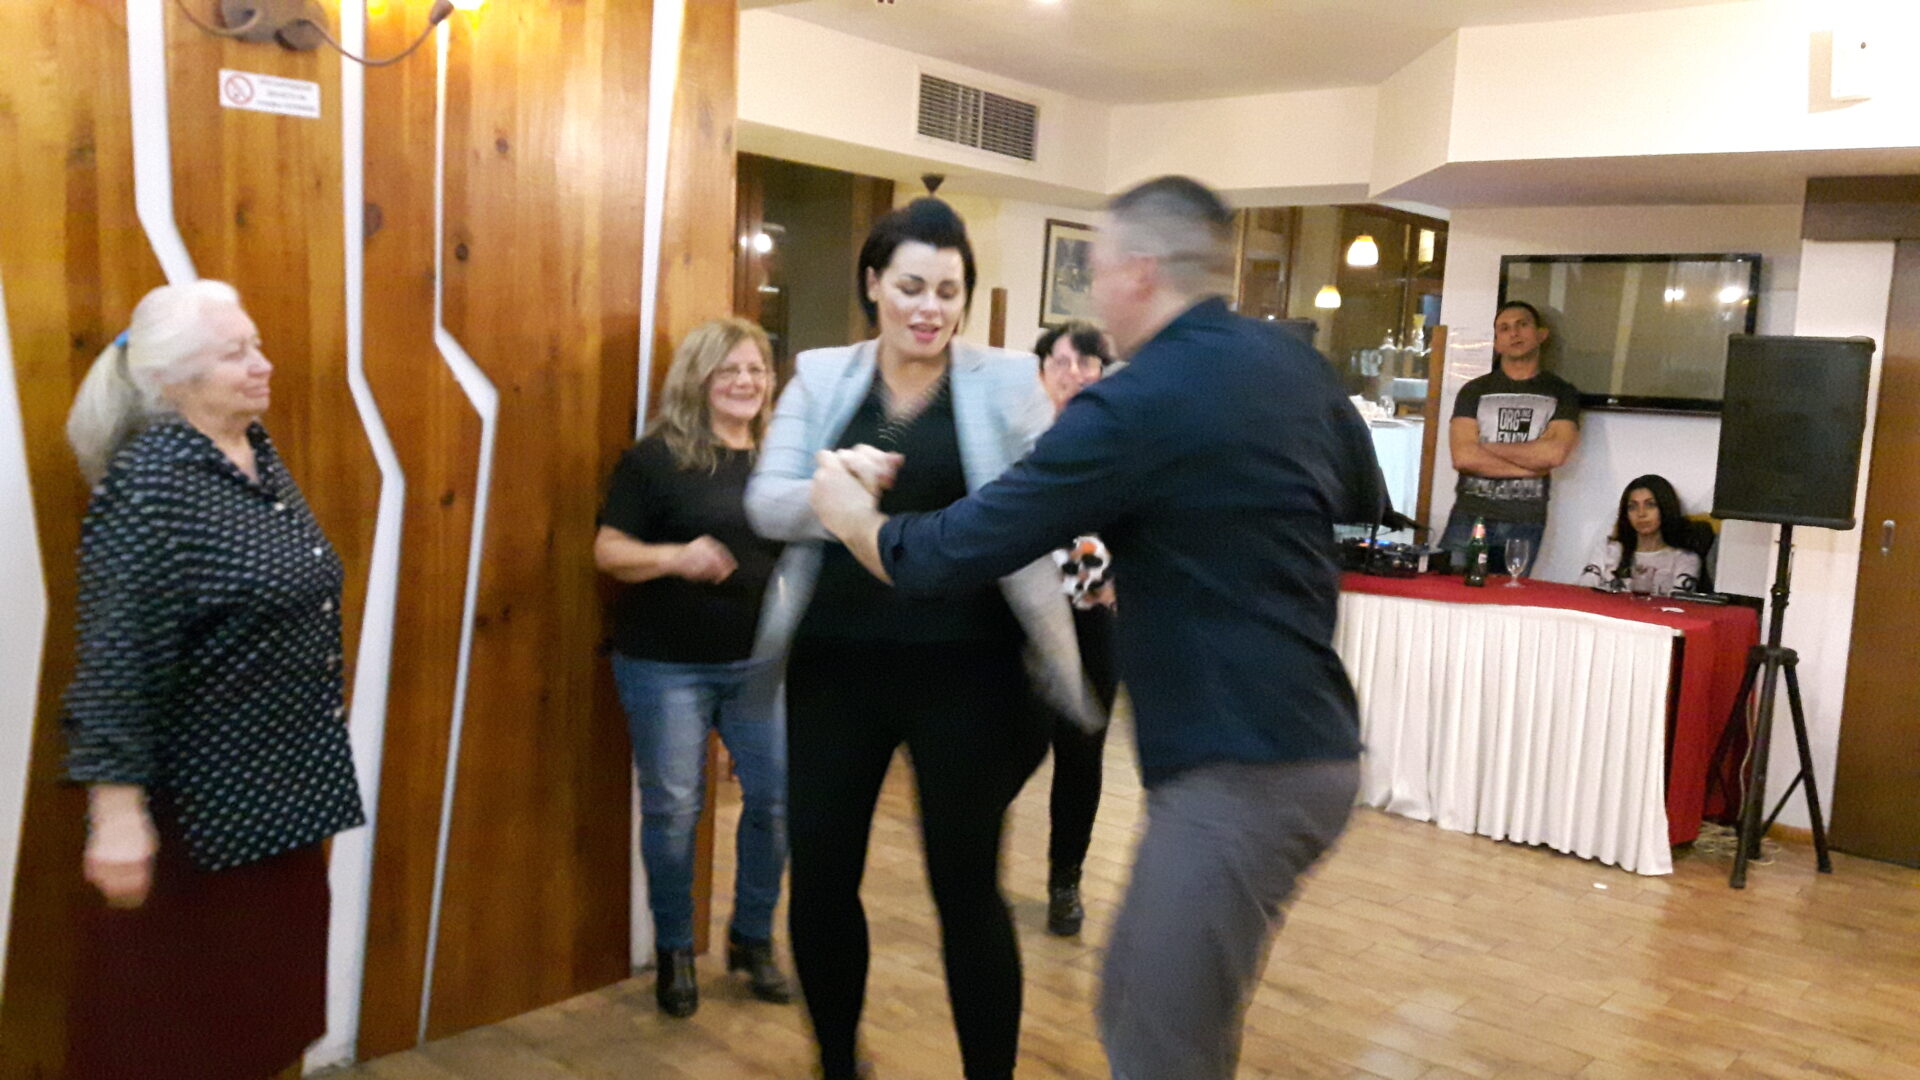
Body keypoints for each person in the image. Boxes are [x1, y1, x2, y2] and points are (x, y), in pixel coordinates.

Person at [807, 176, 1383, 1080]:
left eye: (1098, 270)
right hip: (1314, 749)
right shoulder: (1289, 362)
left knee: (1153, 1038)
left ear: (1140, 272)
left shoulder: (1140, 400)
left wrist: (855, 521)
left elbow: (954, 551)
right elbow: (1358, 495)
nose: (1094, 293)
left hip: (1241, 767)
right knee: (1156, 1012)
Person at [745, 197, 1097, 1080]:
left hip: (968, 671)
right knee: (822, 877)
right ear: (874, 283)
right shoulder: (822, 376)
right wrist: (837, 489)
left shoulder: (1008, 380)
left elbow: (1037, 507)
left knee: (966, 887)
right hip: (834, 667)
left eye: (947, 290)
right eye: (910, 287)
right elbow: (765, 504)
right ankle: (837, 1064)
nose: (928, 308)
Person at [59, 280, 366, 1080]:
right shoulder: (150, 484)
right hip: (202, 812)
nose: (263, 364)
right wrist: (117, 815)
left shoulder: (255, 454)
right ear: (173, 380)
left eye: (256, 345)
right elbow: (116, 656)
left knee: (266, 1018)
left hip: (286, 795)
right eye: (237, 354)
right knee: (178, 1032)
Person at [593, 317, 791, 1019]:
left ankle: (751, 938)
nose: (745, 381)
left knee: (778, 801)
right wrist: (676, 557)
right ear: (699, 380)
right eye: (729, 369)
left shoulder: (780, 459)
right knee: (675, 810)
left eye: (756, 369)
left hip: (759, 665)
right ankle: (676, 949)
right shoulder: (656, 459)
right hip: (665, 666)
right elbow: (608, 551)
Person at [1032, 320, 1120, 937]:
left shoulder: (1123, 442)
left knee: (1082, 750)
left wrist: (1120, 576)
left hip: (1093, 622)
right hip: (1018, 618)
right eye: (1061, 362)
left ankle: (1066, 879)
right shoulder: (1020, 437)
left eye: (1087, 363)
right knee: (1001, 747)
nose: (1074, 374)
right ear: (1041, 373)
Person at [1441, 300, 1582, 565]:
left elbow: (1554, 454)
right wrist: (1532, 466)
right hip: (1469, 515)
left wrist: (1484, 446)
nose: (1514, 333)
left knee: (1510, 590)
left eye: (1522, 325)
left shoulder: (1562, 392)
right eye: (1504, 329)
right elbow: (1463, 457)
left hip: (1525, 521)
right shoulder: (1473, 391)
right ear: (1496, 343)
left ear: (1541, 334)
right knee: (1451, 588)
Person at [1579, 474, 1707, 593]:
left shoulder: (1684, 559)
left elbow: (1679, 605)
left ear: (1665, 508)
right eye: (1632, 507)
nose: (1641, 514)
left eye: (1650, 505)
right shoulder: (1607, 549)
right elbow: (1583, 592)